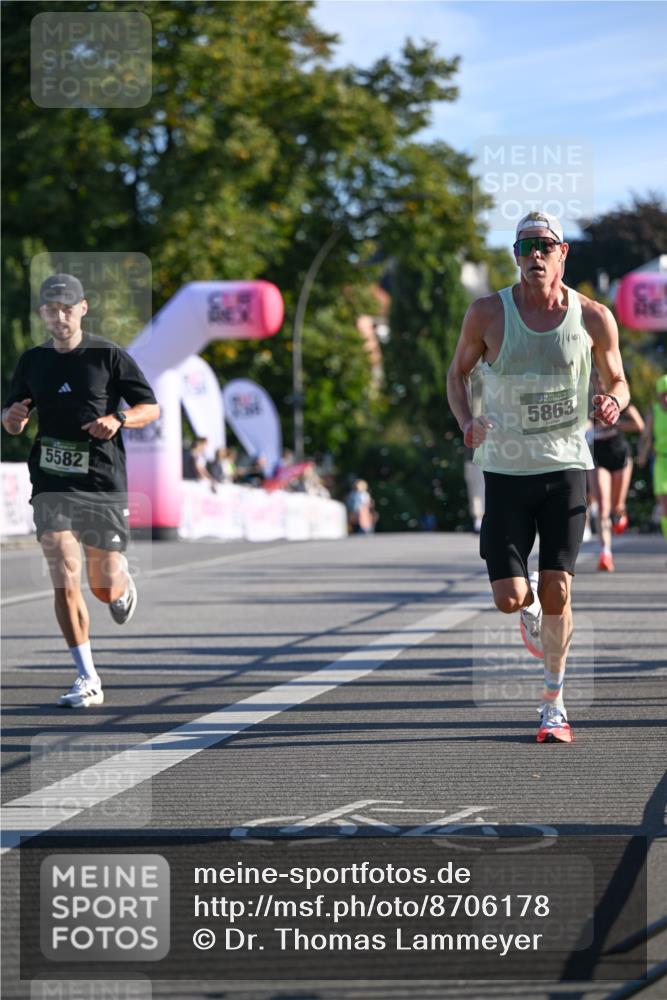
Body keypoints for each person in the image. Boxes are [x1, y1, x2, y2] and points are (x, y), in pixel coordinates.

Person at [447, 211, 630, 744]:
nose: (535, 255)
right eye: (525, 246)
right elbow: (457, 374)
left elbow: (619, 379)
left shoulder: (593, 316)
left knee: (558, 587)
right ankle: (526, 610)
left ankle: (554, 703)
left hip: (566, 467)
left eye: (544, 245)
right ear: (516, 255)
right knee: (510, 597)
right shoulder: (487, 313)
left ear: (562, 252)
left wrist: (612, 403)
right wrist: (467, 422)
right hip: (504, 471)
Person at [1, 273, 159, 708]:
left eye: (67, 307)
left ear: (83, 308)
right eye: (51, 309)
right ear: (42, 314)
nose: (59, 315)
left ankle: (121, 585)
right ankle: (87, 676)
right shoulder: (32, 361)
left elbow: (150, 406)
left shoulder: (108, 355)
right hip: (51, 480)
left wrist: (120, 420)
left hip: (102, 482)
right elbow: (14, 417)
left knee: (103, 586)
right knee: (62, 569)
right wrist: (11, 418)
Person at [588, 369, 644, 571]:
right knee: (603, 507)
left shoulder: (618, 399)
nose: (599, 383)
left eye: (602, 379)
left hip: (620, 456)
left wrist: (616, 421)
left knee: (616, 506)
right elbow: (579, 426)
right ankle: (605, 554)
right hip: (599, 457)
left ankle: (620, 512)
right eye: (595, 379)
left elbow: (639, 424)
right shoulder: (587, 402)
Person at [637, 373, 667, 546]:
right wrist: (642, 454)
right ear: (658, 395)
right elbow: (646, 437)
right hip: (661, 462)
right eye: (663, 394)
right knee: (665, 505)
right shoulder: (653, 411)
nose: (666, 398)